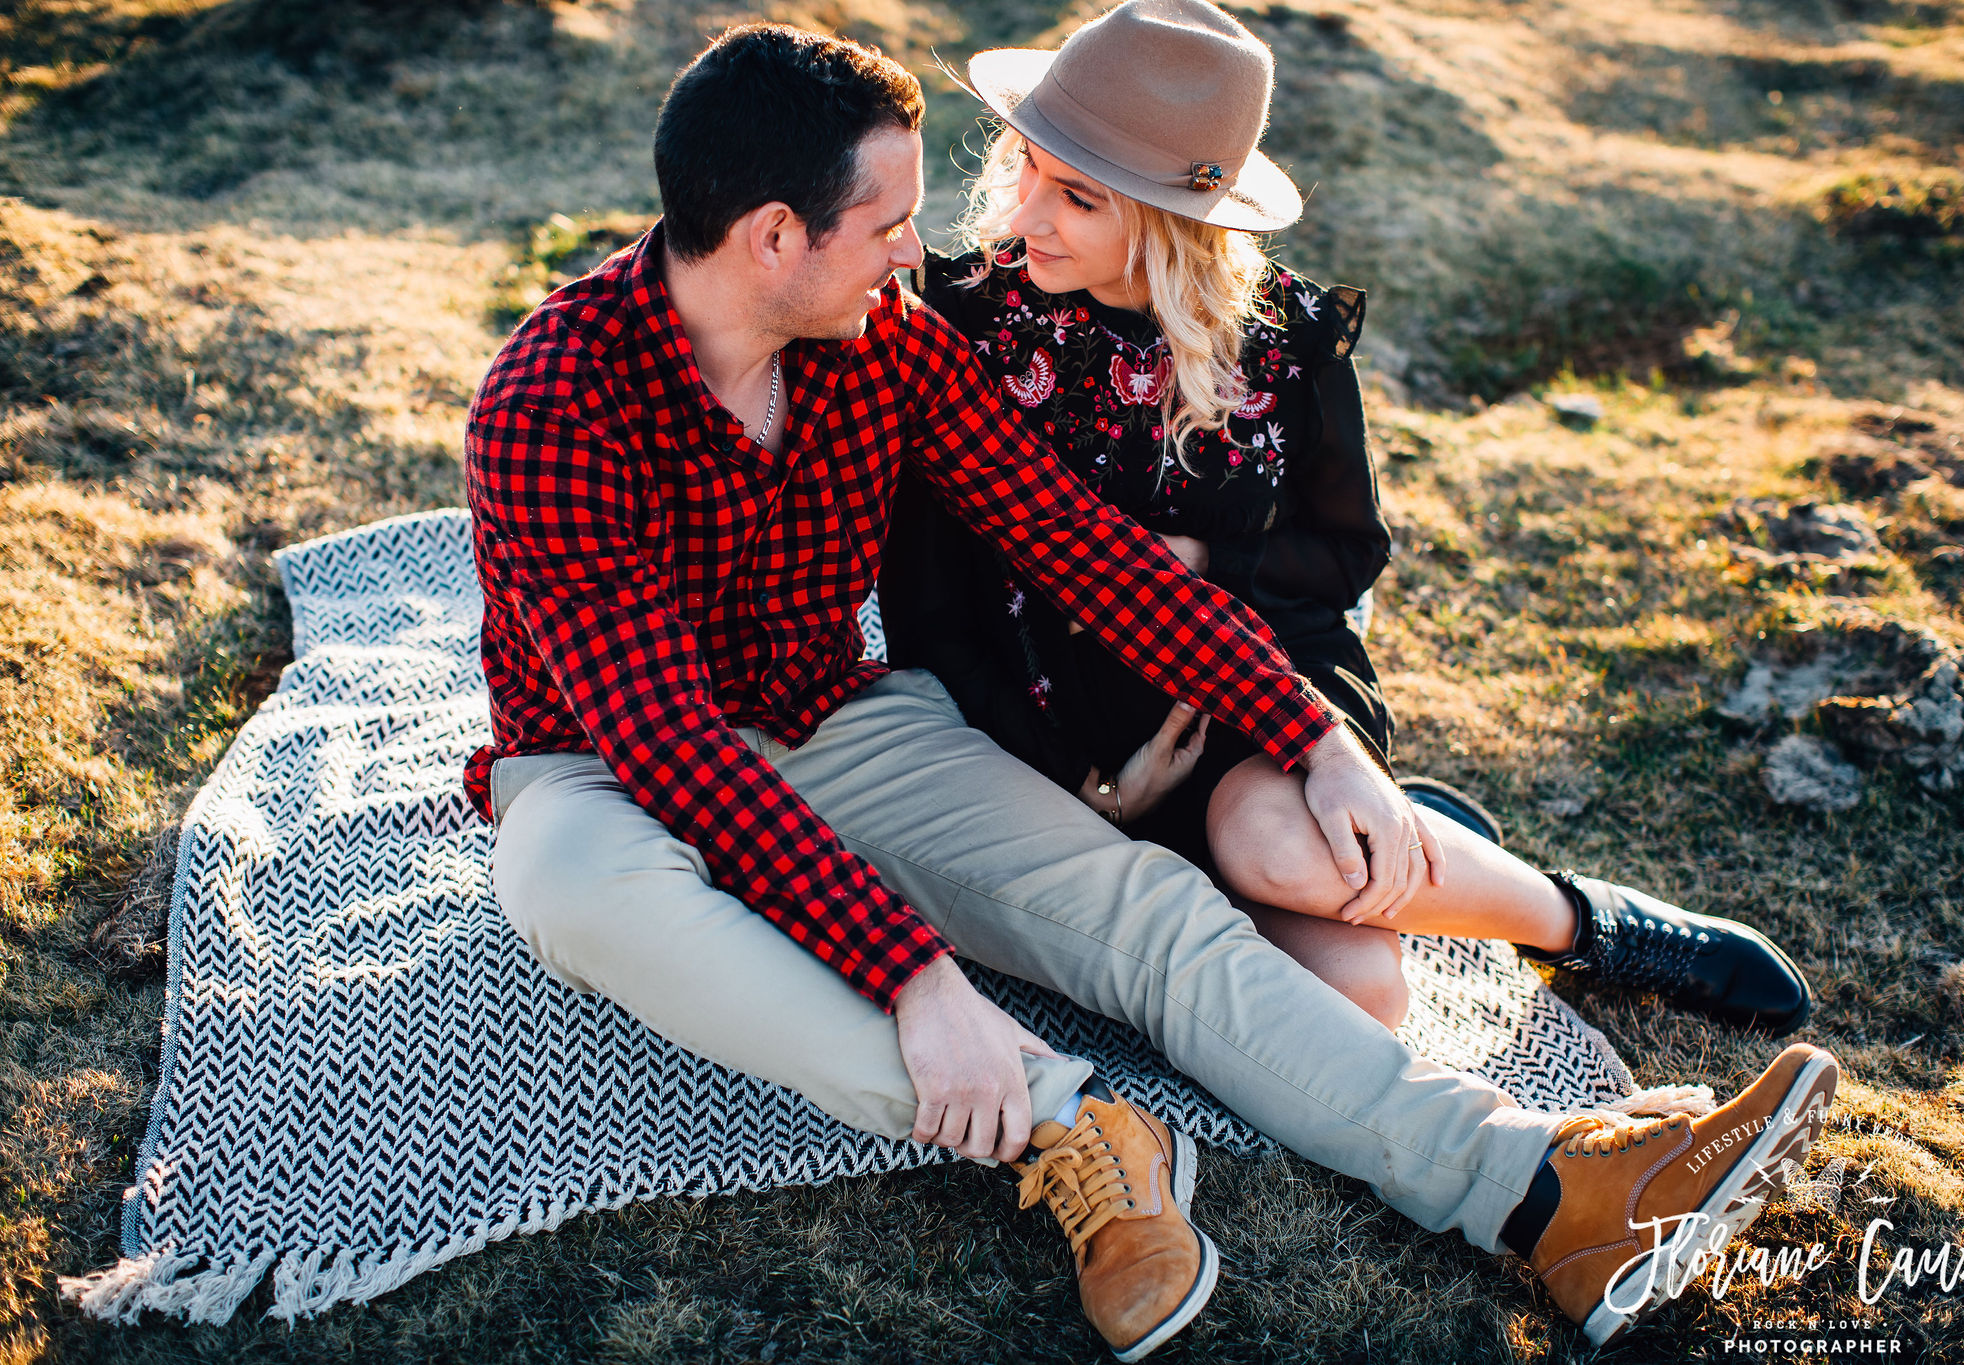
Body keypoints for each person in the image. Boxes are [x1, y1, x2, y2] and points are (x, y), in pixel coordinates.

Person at [465, 10, 1840, 1359]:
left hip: (835, 713)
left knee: (1158, 918)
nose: (919, 252)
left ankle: (1541, 1189)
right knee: (570, 890)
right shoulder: (551, 402)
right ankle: (1075, 1125)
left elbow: (1090, 556)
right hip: (602, 762)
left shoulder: (889, 342)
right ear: (776, 236)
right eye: (888, 225)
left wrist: (1311, 734)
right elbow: (666, 743)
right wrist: (914, 975)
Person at [878, 7, 1815, 1039]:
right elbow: (923, 601)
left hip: (1258, 707)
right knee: (1353, 1001)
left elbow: (1343, 554)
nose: (1026, 218)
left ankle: (1579, 921)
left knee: (1330, 948)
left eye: (1077, 198)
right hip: (1048, 717)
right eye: (1029, 169)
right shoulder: (959, 321)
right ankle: (1410, 842)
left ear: (1165, 217)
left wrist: (1207, 554)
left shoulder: (1284, 343)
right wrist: (1087, 792)